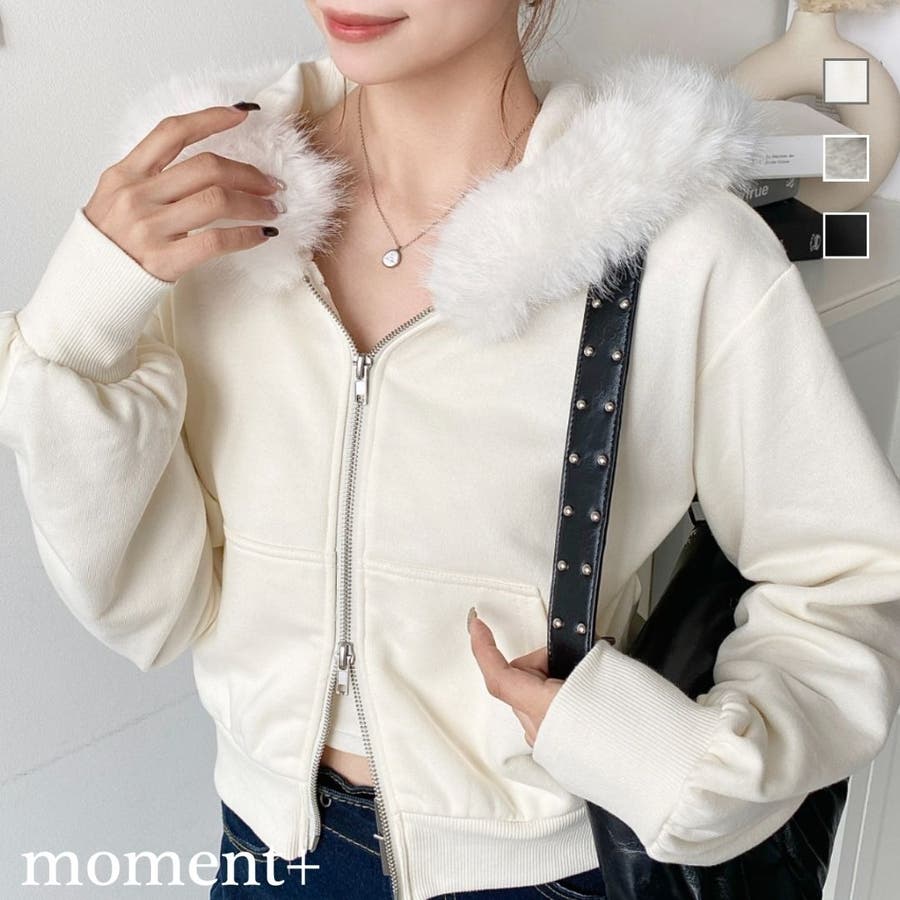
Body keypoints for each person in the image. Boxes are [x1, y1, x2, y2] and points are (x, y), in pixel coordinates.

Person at [3, 1, 900, 898]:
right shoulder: (202, 210)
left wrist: (673, 763)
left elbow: (850, 583)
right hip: (265, 850)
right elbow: (151, 610)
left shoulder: (679, 249)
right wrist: (78, 333)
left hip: (550, 874)